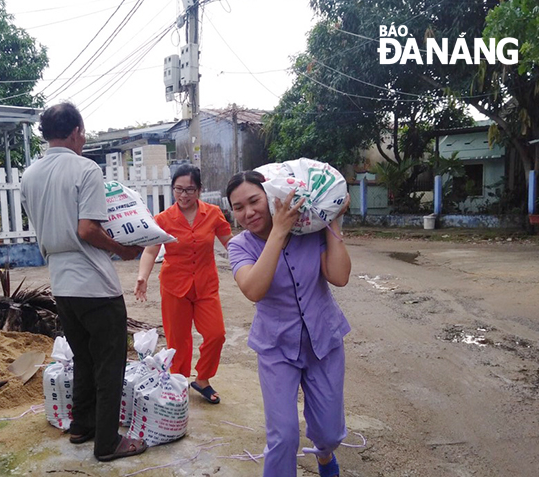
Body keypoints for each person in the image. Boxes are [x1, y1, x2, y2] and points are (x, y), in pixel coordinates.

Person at [20, 102, 147, 462]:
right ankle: (107, 444)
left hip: (60, 282)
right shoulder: (85, 168)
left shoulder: (29, 175)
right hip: (94, 282)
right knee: (110, 363)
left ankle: (81, 426)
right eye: (84, 133)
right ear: (76, 132)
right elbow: (88, 228)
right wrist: (122, 250)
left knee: (85, 358)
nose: (84, 138)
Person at [225, 170, 351, 477]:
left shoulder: (308, 230)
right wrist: (278, 232)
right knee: (283, 436)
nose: (248, 212)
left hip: (324, 341)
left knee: (330, 434)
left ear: (269, 196)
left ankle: (323, 456)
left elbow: (340, 276)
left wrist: (332, 219)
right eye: (238, 207)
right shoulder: (239, 246)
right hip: (276, 347)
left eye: (254, 201)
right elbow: (253, 289)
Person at [134, 164, 232, 404]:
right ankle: (178, 382)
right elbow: (150, 251)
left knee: (216, 334)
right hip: (174, 286)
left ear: (199, 190)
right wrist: (143, 276)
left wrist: (252, 263)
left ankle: (203, 379)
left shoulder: (213, 213)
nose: (184, 195)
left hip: (206, 285)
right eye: (178, 189)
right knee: (178, 340)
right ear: (172, 189)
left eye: (189, 189)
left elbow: (231, 243)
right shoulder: (163, 219)